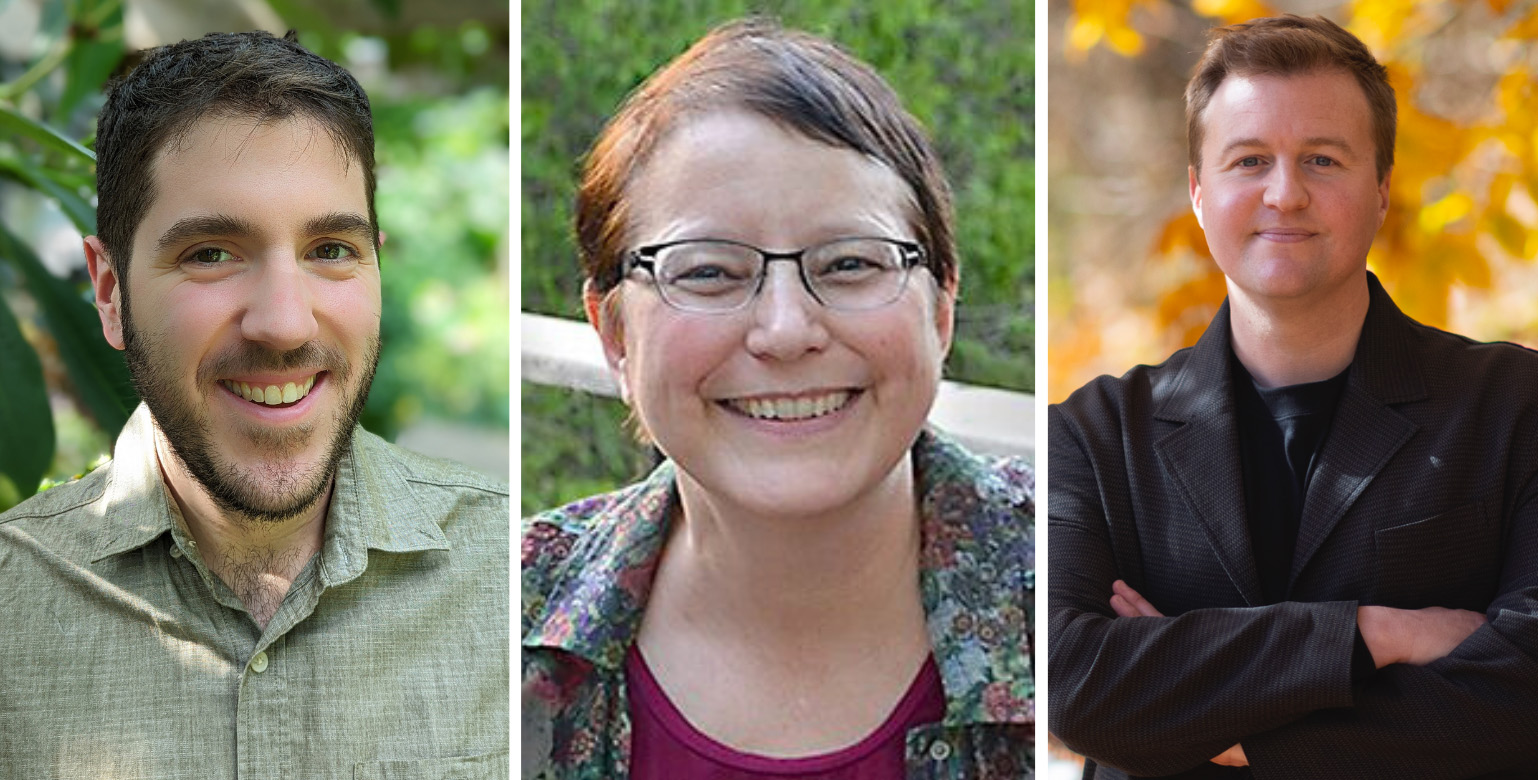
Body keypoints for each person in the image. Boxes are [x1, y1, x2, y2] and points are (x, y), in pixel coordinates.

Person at [521, 19, 1034, 779]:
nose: (786, 330)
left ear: (941, 310)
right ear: (615, 335)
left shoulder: (1072, 575)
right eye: (707, 273)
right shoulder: (495, 624)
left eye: (852, 263)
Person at [0, 31, 509, 778]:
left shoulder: (506, 576)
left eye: (330, 249)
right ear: (109, 295)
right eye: (211, 253)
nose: (285, 322)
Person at [1048, 14, 1538, 779]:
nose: (1286, 194)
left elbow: (1527, 694)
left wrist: (1218, 728)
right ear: (1199, 193)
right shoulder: (1092, 435)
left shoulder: (1513, 407)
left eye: (1322, 159)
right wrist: (1376, 636)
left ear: (1381, 190)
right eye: (1249, 161)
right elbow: (1069, 685)